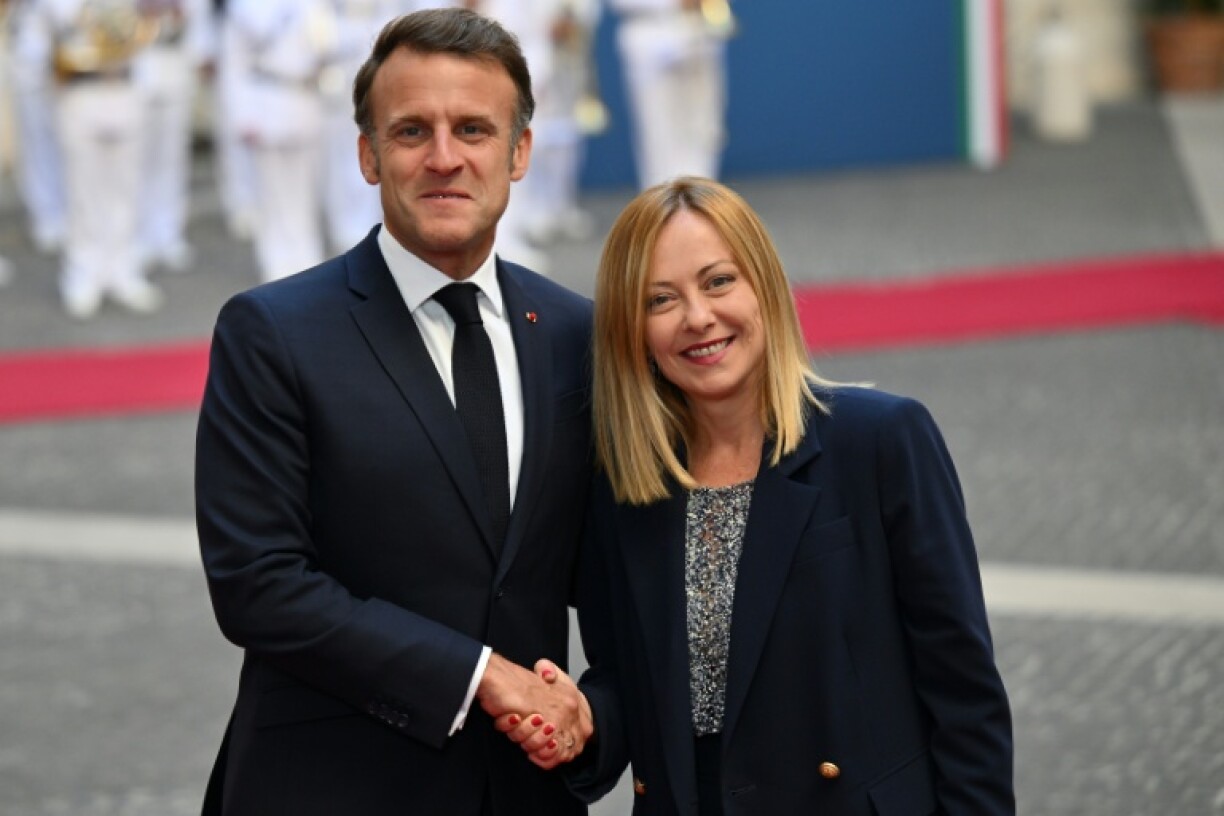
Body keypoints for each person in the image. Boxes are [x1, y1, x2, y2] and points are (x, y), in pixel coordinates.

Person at [503, 177, 1015, 813]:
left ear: (764, 287)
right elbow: (630, 682)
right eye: (661, 300)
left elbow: (964, 691)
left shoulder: (880, 441)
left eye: (718, 282)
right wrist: (585, 722)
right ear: (632, 331)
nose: (697, 317)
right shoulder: (623, 485)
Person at [195, 8, 595, 814]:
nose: (444, 158)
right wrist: (479, 676)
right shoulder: (273, 332)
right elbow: (259, 585)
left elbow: (614, 570)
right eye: (412, 131)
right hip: (331, 789)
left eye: (473, 129)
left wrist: (596, 717)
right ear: (368, 156)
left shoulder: (573, 333)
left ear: (520, 152)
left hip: (524, 792)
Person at [606, 0, 728, 189]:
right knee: (659, 128)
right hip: (651, 40)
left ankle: (703, 194)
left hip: (701, 35)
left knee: (705, 127)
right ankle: (663, 197)